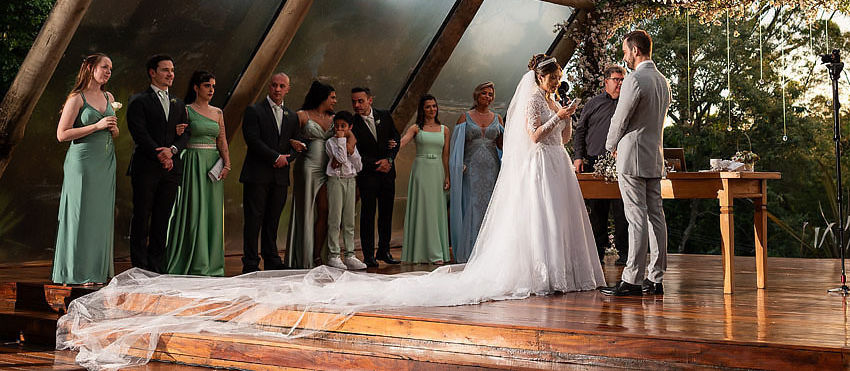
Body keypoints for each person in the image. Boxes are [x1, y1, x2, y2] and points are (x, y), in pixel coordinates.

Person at [59, 56, 605, 370]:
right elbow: (534, 133)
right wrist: (559, 114)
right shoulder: (536, 102)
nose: (555, 84)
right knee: (305, 222)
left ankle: (552, 268)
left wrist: (563, 122)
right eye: (552, 78)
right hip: (281, 171)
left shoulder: (537, 100)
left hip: (541, 167)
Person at [603, 30, 670, 297]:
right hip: (654, 155)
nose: (624, 56)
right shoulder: (663, 81)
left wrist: (610, 145)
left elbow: (620, 118)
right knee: (656, 216)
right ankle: (655, 278)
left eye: (625, 51)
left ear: (635, 50)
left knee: (636, 217)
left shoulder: (635, 79)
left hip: (632, 155)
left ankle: (631, 279)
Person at [52, 53, 119, 285]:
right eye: (104, 67)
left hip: (105, 162)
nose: (108, 72)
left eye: (110, 68)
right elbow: (62, 134)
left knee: (100, 216)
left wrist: (113, 129)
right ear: (90, 68)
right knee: (80, 215)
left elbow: (113, 132)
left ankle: (97, 272)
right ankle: (76, 272)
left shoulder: (109, 97)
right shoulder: (76, 98)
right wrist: (96, 126)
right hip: (82, 164)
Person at [126, 54, 190, 273]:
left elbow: (186, 132)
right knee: (142, 216)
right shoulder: (138, 100)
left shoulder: (178, 103)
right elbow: (139, 132)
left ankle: (156, 266)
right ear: (152, 72)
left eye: (172, 70)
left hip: (171, 169)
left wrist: (172, 151)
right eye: (165, 70)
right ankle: (139, 266)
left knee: (162, 218)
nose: (170, 74)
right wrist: (160, 155)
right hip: (146, 167)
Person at [164, 71, 231, 276]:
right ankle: (191, 260)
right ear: (196, 87)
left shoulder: (218, 112)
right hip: (192, 162)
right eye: (207, 86)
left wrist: (227, 164)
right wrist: (177, 132)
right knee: (193, 210)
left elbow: (222, 140)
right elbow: (177, 136)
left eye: (213, 86)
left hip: (213, 165)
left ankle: (211, 263)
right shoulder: (185, 110)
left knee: (212, 212)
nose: (211, 90)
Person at [239, 72, 303, 273]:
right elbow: (252, 140)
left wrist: (287, 159)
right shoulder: (254, 111)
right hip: (257, 175)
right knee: (253, 220)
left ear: (288, 89)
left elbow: (297, 145)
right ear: (269, 86)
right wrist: (275, 157)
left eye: (282, 86)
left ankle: (272, 259)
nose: (277, 89)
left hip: (280, 176)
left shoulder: (292, 116)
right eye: (274, 85)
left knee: (273, 220)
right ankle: (250, 262)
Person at [573, 65, 629, 266]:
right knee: (597, 212)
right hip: (595, 162)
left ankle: (624, 254)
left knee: (622, 211)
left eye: (622, 80)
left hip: (622, 162)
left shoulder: (628, 103)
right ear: (606, 82)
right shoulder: (593, 103)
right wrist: (578, 157)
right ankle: (597, 254)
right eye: (616, 79)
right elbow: (580, 131)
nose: (620, 83)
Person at [449, 82, 504, 263]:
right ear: (476, 95)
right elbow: (457, 147)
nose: (487, 97)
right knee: (472, 205)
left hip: (492, 169)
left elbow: (502, 145)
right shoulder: (464, 117)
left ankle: (490, 250)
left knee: (490, 207)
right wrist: (459, 166)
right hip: (471, 170)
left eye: (490, 94)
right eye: (484, 93)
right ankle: (471, 250)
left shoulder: (498, 118)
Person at [285, 81, 336, 269]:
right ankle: (303, 257)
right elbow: (286, 136)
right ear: (322, 97)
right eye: (332, 97)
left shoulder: (334, 118)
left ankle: (317, 255)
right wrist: (293, 142)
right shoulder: (302, 115)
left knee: (325, 210)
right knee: (305, 210)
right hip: (307, 167)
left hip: (328, 169)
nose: (335, 101)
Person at [399, 94, 451, 264]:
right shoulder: (416, 128)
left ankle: (436, 252)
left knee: (435, 211)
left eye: (434, 106)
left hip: (437, 171)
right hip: (421, 171)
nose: (432, 109)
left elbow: (445, 155)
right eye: (428, 106)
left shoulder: (444, 130)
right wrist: (391, 145)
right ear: (422, 109)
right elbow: (403, 141)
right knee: (422, 208)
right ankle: (420, 253)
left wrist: (448, 175)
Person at [351, 87, 399, 266]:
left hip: (388, 174)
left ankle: (384, 251)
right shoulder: (352, 123)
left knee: (386, 213)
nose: (357, 105)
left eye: (360, 101)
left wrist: (389, 160)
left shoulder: (384, 115)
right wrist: (377, 164)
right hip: (368, 175)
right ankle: (369, 255)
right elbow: (355, 152)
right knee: (368, 215)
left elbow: (395, 139)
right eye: (354, 101)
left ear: (370, 100)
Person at [325, 111, 366, 270]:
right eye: (337, 126)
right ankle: (334, 254)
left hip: (350, 181)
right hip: (336, 181)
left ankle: (350, 254)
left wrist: (351, 149)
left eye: (343, 126)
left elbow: (359, 166)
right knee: (335, 219)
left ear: (350, 127)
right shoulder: (331, 142)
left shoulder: (352, 144)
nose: (340, 129)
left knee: (349, 220)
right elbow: (341, 159)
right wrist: (343, 141)